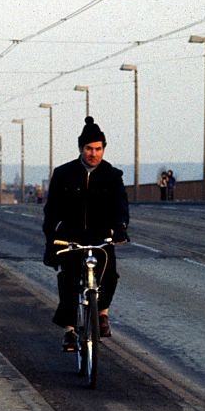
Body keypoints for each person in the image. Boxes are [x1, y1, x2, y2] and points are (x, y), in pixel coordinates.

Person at [43, 117, 129, 351]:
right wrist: (51, 239)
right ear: (81, 148)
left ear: (103, 149)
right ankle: (70, 331)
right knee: (69, 282)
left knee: (110, 276)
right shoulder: (64, 174)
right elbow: (51, 210)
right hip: (71, 237)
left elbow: (121, 206)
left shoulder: (113, 175)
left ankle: (102, 314)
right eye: (89, 148)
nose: (93, 153)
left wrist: (120, 228)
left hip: (101, 236)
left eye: (98, 149)